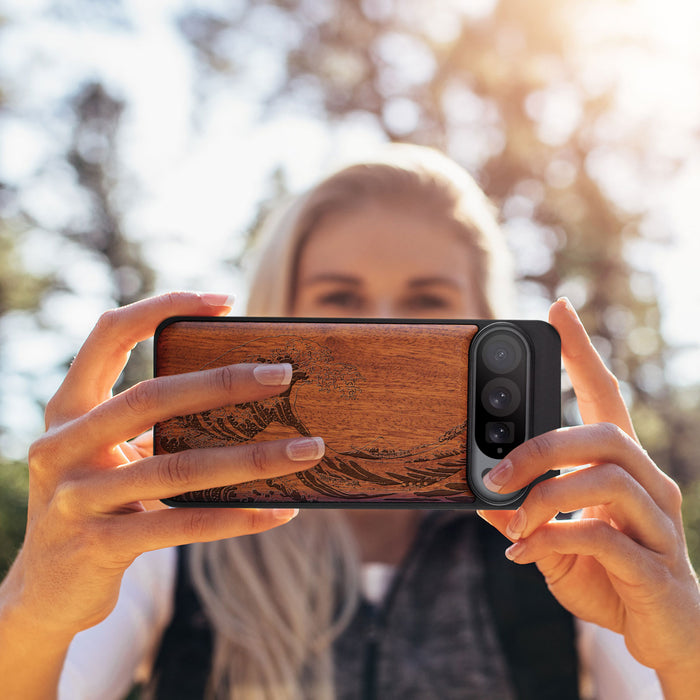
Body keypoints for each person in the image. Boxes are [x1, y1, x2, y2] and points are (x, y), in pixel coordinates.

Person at [0, 145, 698, 700]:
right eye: (340, 299)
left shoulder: (567, 542)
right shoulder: (171, 534)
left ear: (487, 323)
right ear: (279, 313)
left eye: (428, 302)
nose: (386, 328)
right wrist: (34, 607)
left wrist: (685, 648)